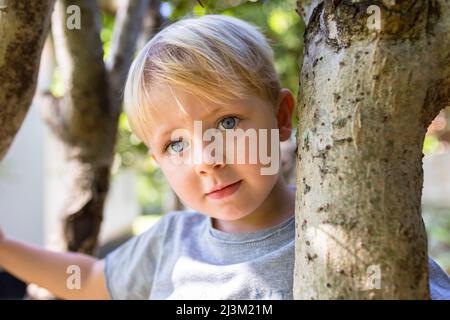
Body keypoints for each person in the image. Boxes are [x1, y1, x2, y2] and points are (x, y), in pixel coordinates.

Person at [1, 14, 449, 300]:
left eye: (228, 123)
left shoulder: (345, 238)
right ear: (158, 160)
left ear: (281, 117)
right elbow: (94, 280)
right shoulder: (171, 242)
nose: (206, 160)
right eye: (175, 144)